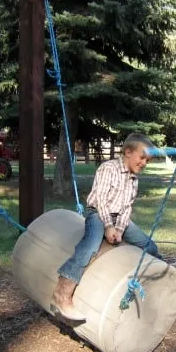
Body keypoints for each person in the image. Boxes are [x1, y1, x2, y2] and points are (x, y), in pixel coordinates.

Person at [52, 133, 163, 321]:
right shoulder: (108, 168)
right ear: (128, 152)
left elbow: (127, 208)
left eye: (148, 161)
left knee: (150, 246)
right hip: (98, 213)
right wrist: (108, 226)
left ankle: (159, 275)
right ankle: (62, 292)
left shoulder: (134, 179)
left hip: (119, 218)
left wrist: (119, 229)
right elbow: (101, 201)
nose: (144, 163)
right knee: (90, 247)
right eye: (142, 157)